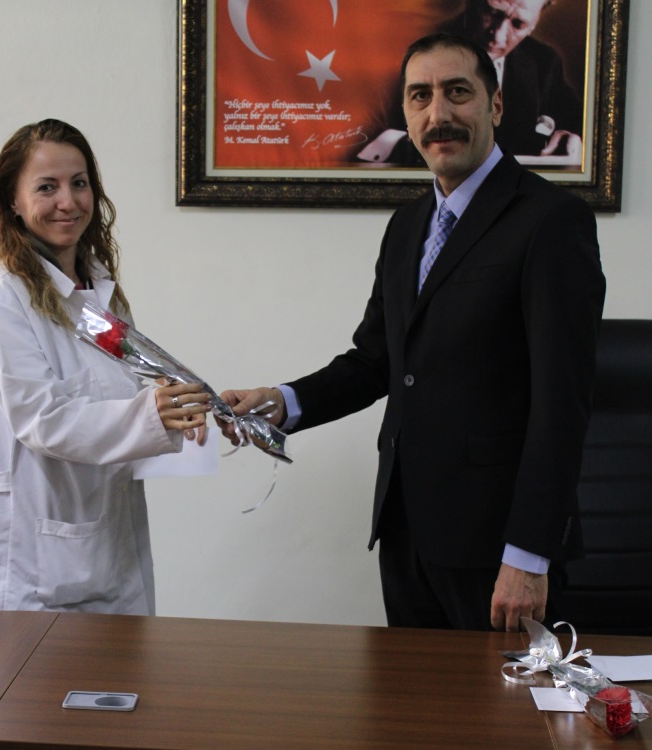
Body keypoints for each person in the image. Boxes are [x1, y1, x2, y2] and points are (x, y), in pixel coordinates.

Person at [221, 34, 605, 631]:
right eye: (420, 96)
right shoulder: (407, 225)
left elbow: (563, 404)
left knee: (506, 699)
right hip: (406, 535)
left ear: (495, 105)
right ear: (404, 112)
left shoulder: (551, 220)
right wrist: (282, 402)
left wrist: (530, 556)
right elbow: (376, 360)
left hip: (500, 551)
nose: (438, 114)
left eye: (458, 92)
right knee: (412, 695)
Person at [0, 119, 210, 613]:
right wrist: (153, 414)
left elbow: (117, 395)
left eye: (79, 183)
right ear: (12, 200)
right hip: (31, 562)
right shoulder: (3, 297)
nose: (67, 202)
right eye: (46, 187)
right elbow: (41, 419)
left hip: (108, 545)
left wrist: (182, 404)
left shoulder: (97, 295)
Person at [359, 0, 583, 164]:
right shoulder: (403, 48)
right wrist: (399, 146)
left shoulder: (543, 61)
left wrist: (571, 138)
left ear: (535, 23)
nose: (497, 35)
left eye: (518, 24)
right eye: (493, 13)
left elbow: (582, 124)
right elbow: (355, 131)